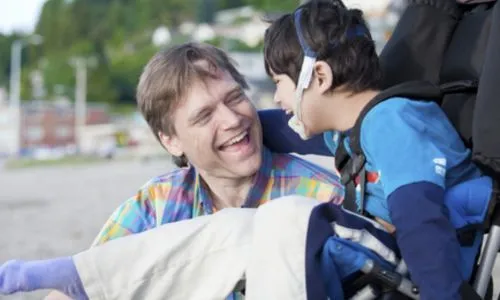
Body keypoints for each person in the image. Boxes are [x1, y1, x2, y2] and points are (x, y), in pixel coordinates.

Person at [0, 42, 344, 300]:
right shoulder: (156, 204)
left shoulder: (320, 198)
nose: (232, 119)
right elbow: (90, 283)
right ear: (171, 141)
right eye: (204, 115)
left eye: (235, 97)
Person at [260, 0, 490, 299]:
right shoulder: (349, 133)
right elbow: (280, 130)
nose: (277, 97)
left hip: (410, 266)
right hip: (383, 257)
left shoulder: (392, 122)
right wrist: (232, 124)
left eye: (279, 82)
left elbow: (419, 218)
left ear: (319, 77)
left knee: (284, 219)